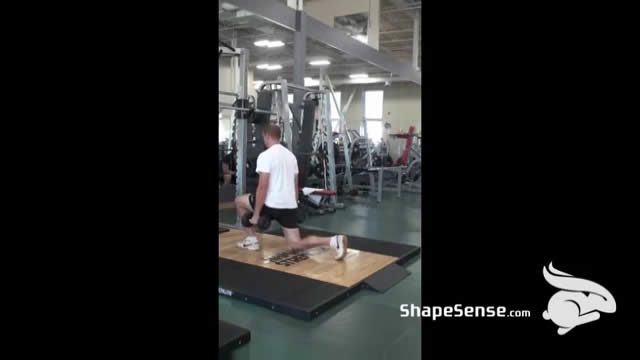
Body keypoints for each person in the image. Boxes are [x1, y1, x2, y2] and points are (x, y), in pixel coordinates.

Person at [234, 125, 348, 260]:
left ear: (267, 136)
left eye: (264, 137)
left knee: (239, 201)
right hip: (288, 206)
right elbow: (295, 186)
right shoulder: (291, 156)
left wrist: (256, 215)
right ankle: (333, 241)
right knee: (296, 244)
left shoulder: (265, 155)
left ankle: (251, 239)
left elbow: (262, 187)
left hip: (270, 204)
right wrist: (295, 206)